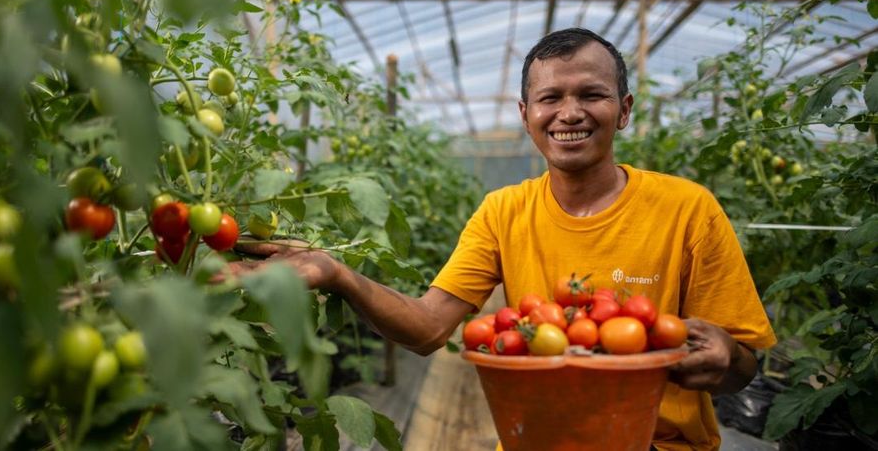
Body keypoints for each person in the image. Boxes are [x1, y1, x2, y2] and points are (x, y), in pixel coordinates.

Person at [229, 27, 776, 450]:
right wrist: (338, 273)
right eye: (550, 97)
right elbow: (428, 327)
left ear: (624, 110)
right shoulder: (503, 211)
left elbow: (742, 369)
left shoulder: (687, 209)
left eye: (592, 94)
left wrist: (728, 357)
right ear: (525, 114)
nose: (570, 113)